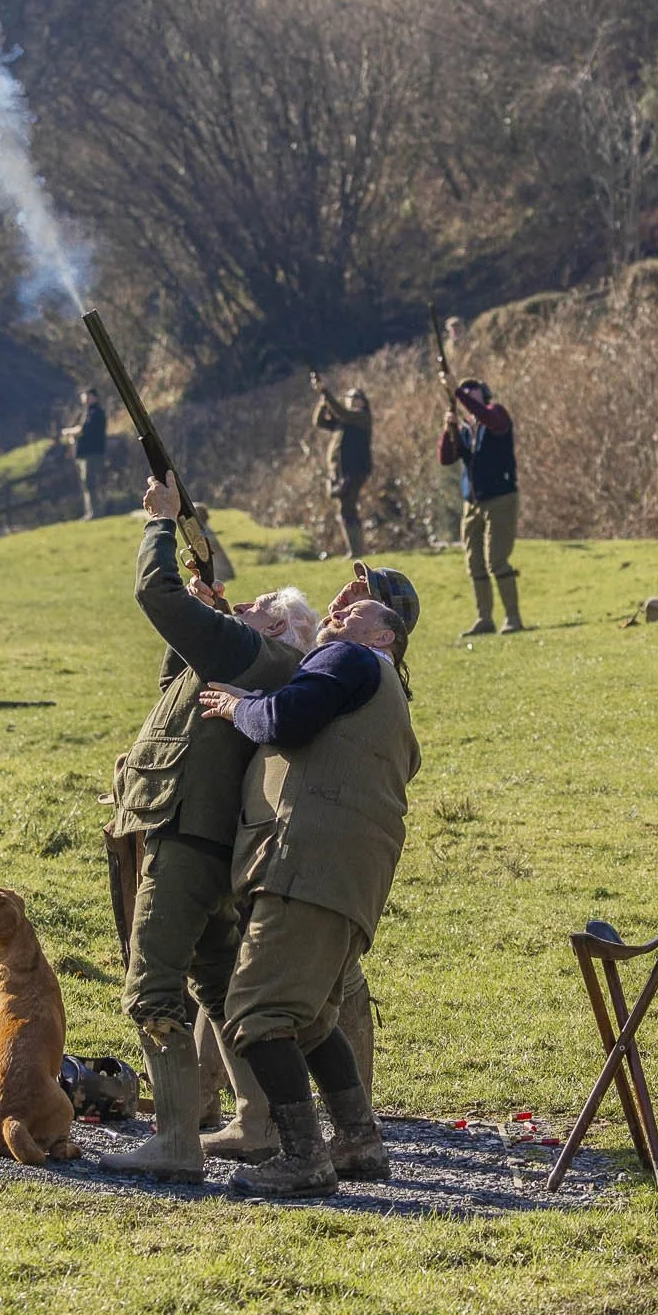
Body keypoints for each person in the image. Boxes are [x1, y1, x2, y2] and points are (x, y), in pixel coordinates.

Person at [98, 477, 306, 1183]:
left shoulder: (261, 658)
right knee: (217, 989)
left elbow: (153, 598)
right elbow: (173, 688)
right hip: (203, 836)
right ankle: (254, 1122)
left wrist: (158, 524)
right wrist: (204, 605)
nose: (240, 606)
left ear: (277, 630)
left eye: (254, 608)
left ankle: (175, 1142)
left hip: (188, 836)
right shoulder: (246, 658)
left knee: (151, 989)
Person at [199, 560, 421, 1196]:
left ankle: (305, 1158)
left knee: (256, 1012)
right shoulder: (385, 691)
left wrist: (241, 707)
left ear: (387, 635)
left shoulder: (347, 661)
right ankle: (358, 1141)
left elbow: (285, 721)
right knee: (314, 1020)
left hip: (307, 866)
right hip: (349, 881)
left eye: (359, 608)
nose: (341, 610)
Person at [438, 370, 524, 636]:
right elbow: (446, 458)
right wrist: (448, 427)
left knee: (497, 560)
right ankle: (484, 618)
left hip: (500, 498)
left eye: (472, 389)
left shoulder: (496, 414)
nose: (468, 392)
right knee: (474, 562)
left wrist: (458, 393)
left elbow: (488, 417)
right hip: (472, 503)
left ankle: (513, 617)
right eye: (465, 389)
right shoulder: (466, 429)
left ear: (483, 393)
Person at [310, 375, 373, 559]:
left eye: (356, 397)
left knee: (348, 508)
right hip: (341, 472)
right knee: (345, 509)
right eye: (349, 397)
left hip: (356, 471)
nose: (352, 400)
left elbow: (342, 412)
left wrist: (326, 392)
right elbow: (319, 422)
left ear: (363, 403)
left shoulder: (361, 418)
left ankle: (356, 551)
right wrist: (323, 401)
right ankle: (354, 550)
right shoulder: (344, 421)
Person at [62, 387, 108, 520]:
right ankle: (90, 511)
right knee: (86, 483)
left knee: (90, 482)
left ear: (95, 397)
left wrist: (69, 432)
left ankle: (95, 512)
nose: (85, 399)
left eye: (88, 396)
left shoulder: (96, 413)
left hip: (92, 453)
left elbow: (83, 430)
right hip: (84, 453)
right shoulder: (86, 412)